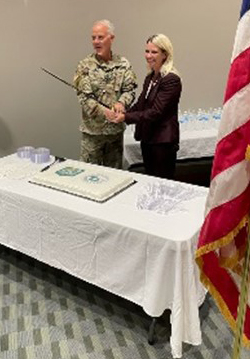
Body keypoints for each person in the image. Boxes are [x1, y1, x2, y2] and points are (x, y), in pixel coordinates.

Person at [110, 34, 182, 179]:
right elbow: (141, 104)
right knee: (150, 181)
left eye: (154, 52)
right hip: (148, 139)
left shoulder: (171, 80)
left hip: (163, 143)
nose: (149, 56)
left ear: (165, 55)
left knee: (162, 185)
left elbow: (156, 112)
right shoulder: (151, 77)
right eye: (147, 51)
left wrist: (126, 117)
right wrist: (123, 110)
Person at [73, 19, 137, 169]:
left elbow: (130, 90)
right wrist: (104, 112)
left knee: (114, 176)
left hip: (115, 134)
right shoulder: (84, 66)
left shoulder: (123, 64)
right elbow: (84, 98)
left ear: (111, 38)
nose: (96, 41)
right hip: (92, 135)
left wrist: (122, 103)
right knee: (88, 176)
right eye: (93, 38)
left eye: (100, 37)